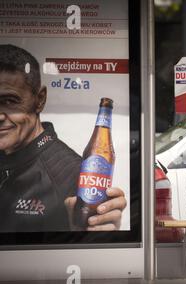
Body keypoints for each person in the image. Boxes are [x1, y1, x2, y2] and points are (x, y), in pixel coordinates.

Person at [0, 44, 125, 232]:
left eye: (10, 101)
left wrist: (89, 237)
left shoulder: (74, 177)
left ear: (40, 100)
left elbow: (86, 256)